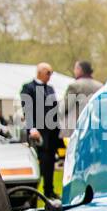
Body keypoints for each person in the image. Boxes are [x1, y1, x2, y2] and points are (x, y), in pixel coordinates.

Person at [20, 63, 60, 198]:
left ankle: (49, 191)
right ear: (40, 72)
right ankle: (32, 194)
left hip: (51, 132)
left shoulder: (50, 89)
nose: (50, 76)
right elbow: (27, 109)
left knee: (49, 163)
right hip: (37, 131)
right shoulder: (28, 87)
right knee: (38, 163)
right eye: (48, 73)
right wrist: (32, 128)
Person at [63, 60, 102, 137]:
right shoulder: (100, 86)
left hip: (77, 126)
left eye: (75, 68)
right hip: (95, 125)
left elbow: (66, 106)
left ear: (80, 69)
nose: (74, 71)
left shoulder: (74, 85)